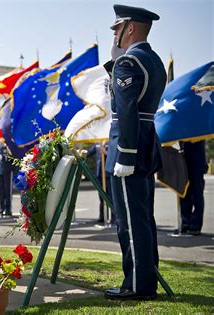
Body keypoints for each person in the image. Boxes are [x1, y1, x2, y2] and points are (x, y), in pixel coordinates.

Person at [104, 4, 166, 301]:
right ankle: (147, 277)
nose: (114, 34)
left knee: (128, 220)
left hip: (129, 147)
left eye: (117, 29)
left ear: (129, 28)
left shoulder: (128, 62)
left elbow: (127, 110)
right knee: (142, 217)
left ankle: (137, 285)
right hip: (147, 141)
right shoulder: (153, 60)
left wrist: (125, 155)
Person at [180, 140, 208, 235]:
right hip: (183, 155)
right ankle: (185, 222)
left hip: (197, 158)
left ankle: (195, 225)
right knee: (183, 193)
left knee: (197, 195)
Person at [87, 143, 114, 223]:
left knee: (111, 197)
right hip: (99, 174)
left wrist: (105, 152)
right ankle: (102, 217)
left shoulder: (110, 142)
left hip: (108, 174)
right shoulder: (97, 144)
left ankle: (114, 218)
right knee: (102, 197)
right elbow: (89, 153)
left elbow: (114, 154)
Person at [0, 142, 15, 217]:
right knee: (1, 190)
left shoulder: (10, 143)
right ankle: (2, 208)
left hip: (8, 169)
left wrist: (3, 157)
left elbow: (12, 157)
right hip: (0, 170)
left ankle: (8, 209)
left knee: (8, 190)